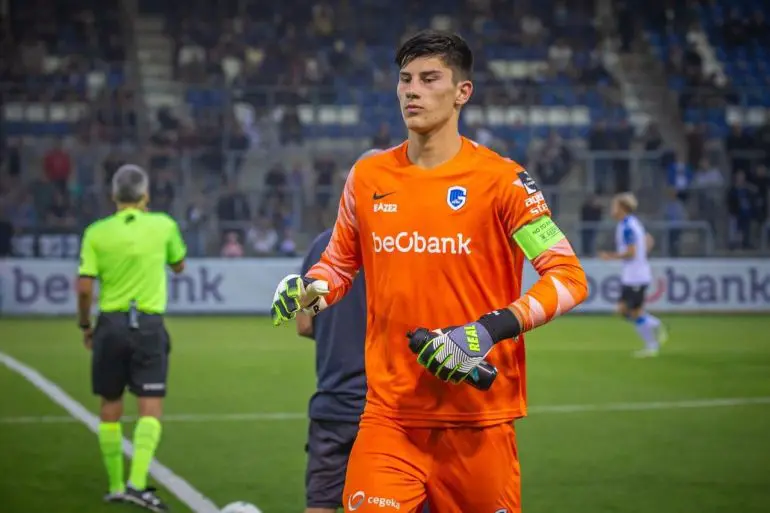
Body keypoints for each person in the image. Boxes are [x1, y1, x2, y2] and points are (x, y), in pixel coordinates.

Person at [271, 30, 588, 512]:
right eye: (404, 79)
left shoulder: (504, 182)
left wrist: (485, 331)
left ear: (463, 92)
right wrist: (308, 290)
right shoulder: (367, 178)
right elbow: (337, 267)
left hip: (479, 419)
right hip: (388, 418)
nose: (411, 89)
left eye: (428, 78)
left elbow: (568, 277)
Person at [77, 164, 187, 511]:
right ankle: (138, 483)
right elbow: (179, 265)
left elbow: (83, 287)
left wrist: (85, 326)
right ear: (145, 195)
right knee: (150, 407)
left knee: (110, 405)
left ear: (113, 196)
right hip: (149, 326)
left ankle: (114, 485)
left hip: (110, 324)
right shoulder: (163, 225)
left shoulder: (96, 232)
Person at [295, 150, 375, 513]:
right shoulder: (404, 246)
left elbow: (304, 323)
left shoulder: (319, 245)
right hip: (384, 409)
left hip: (331, 403)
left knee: (321, 503)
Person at [600, 192, 668, 357]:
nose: (612, 209)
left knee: (633, 311)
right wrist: (642, 254)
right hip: (633, 274)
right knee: (623, 310)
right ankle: (654, 328)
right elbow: (648, 240)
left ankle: (652, 342)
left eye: (614, 206)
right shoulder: (631, 223)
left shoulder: (627, 226)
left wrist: (611, 256)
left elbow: (630, 252)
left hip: (636, 276)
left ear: (622, 208)